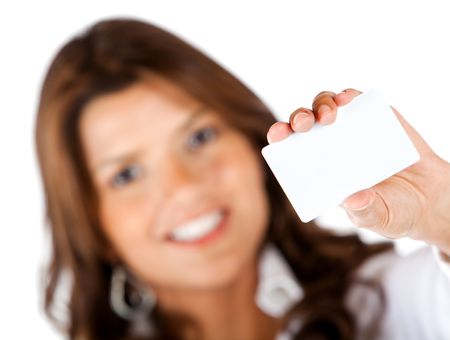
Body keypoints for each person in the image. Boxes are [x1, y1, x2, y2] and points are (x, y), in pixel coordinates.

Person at [35, 18, 450, 340]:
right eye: (125, 174)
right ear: (92, 222)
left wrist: (441, 210)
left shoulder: (390, 303)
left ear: (252, 144)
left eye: (199, 137)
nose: (183, 186)